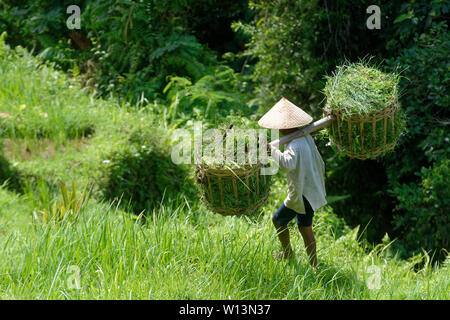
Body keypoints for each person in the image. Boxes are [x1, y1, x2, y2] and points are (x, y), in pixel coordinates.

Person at [258, 97, 327, 268]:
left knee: (301, 227)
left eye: (280, 126)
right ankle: (289, 254)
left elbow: (287, 165)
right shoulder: (304, 138)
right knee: (282, 221)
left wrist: (271, 149)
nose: (279, 129)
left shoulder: (296, 144)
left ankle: (314, 266)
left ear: (286, 127)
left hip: (304, 194)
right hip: (305, 191)